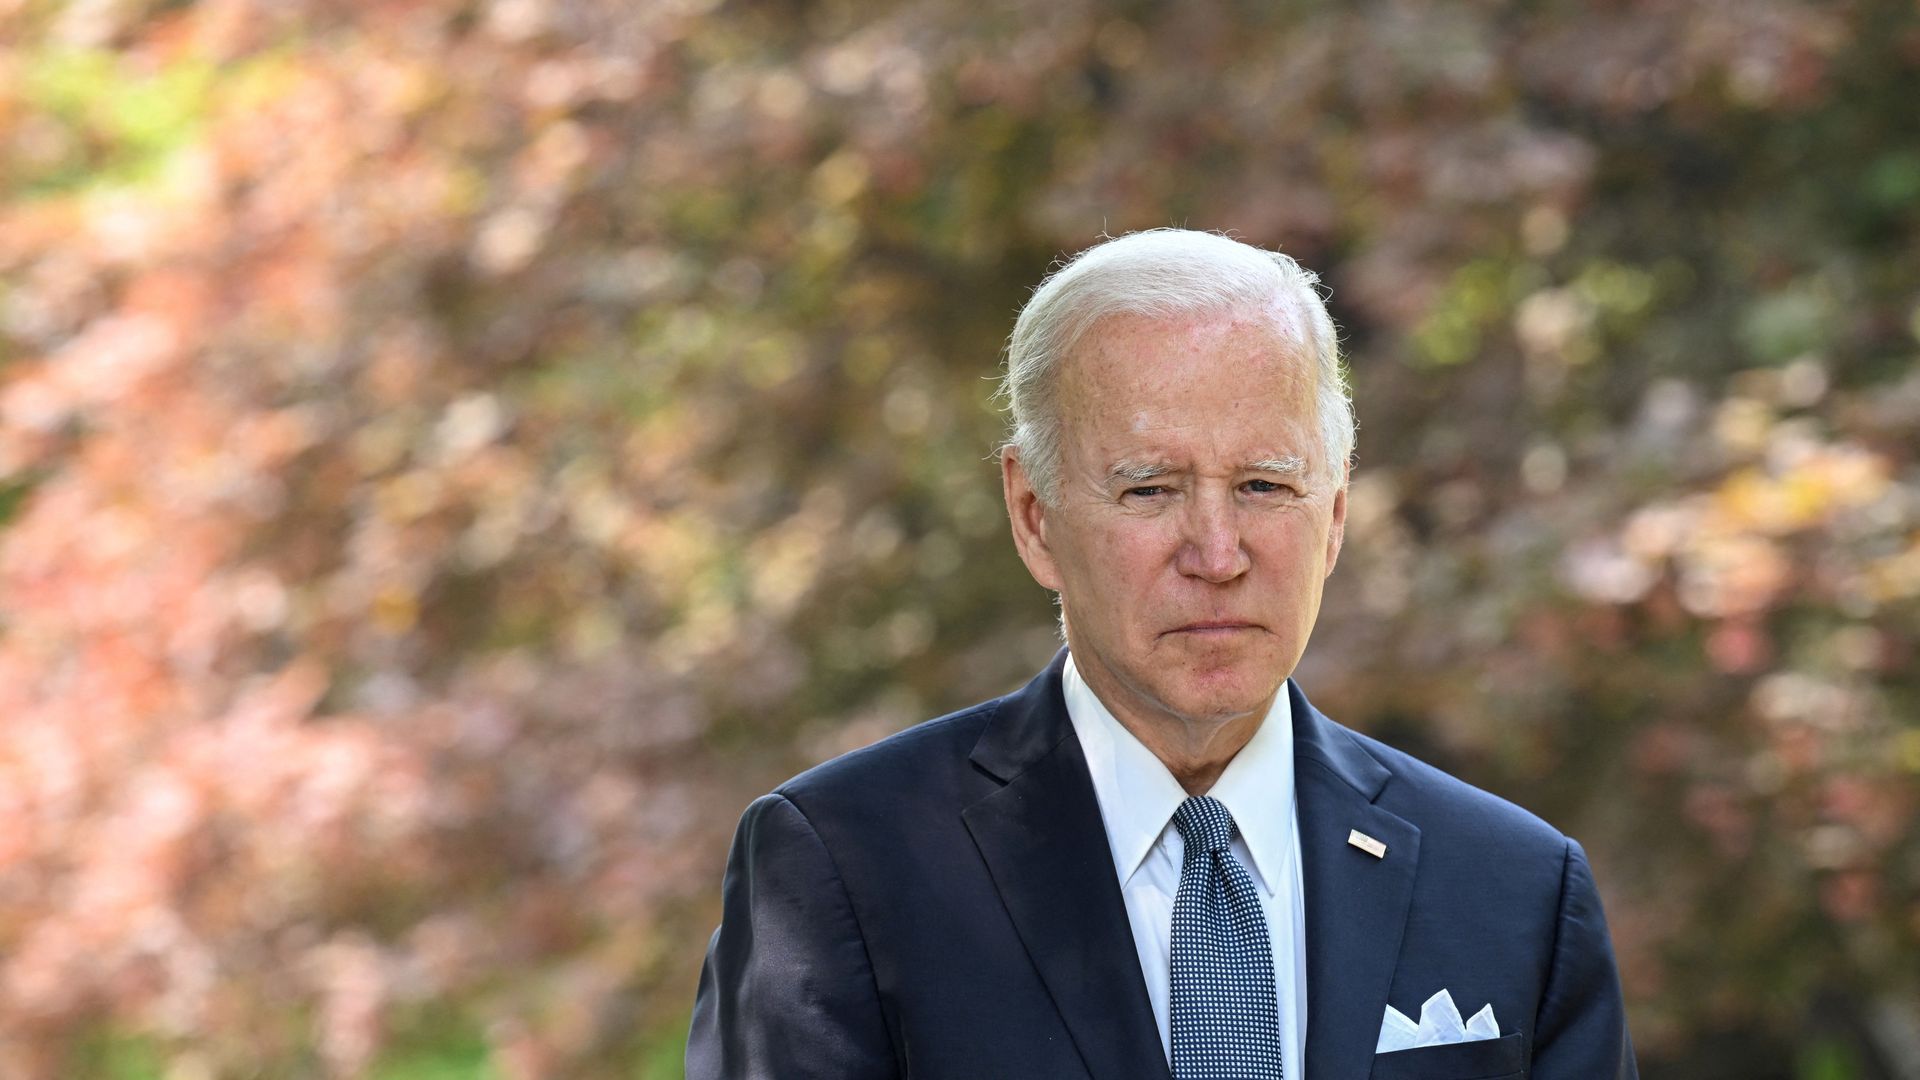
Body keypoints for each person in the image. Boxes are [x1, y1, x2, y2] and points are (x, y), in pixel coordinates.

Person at [686, 229, 1637, 1079]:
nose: (1218, 555)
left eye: (1266, 484)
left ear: (1337, 511)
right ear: (1034, 516)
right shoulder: (844, 870)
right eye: (1150, 491)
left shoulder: (1516, 889)